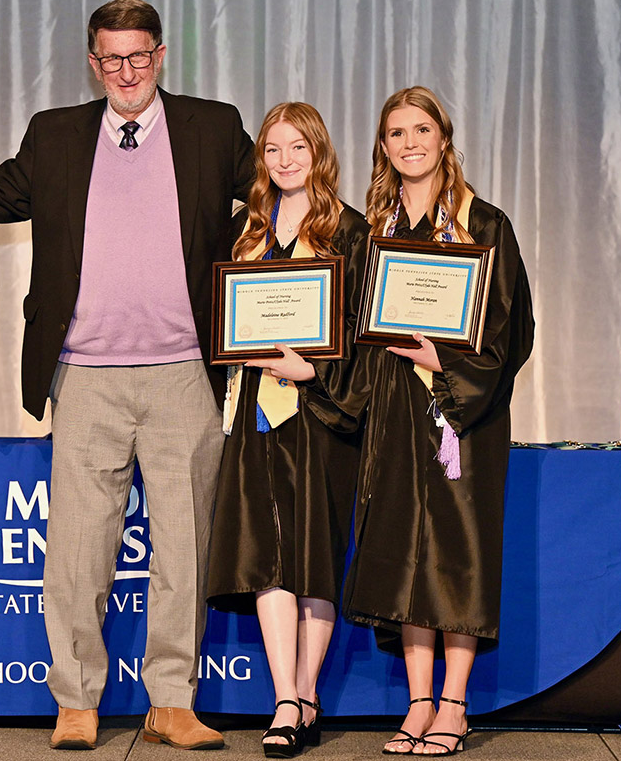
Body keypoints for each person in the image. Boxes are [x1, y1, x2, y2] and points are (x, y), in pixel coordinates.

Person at [0, 0, 254, 751]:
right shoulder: (55, 133)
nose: (126, 71)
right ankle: (77, 701)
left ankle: (171, 702)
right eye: (111, 59)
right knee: (79, 549)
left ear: (160, 55)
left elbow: (284, 198)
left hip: (186, 372)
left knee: (183, 550)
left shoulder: (213, 127)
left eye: (139, 55)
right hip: (85, 374)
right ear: (94, 63)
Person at [342, 86, 534, 756]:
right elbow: (352, 331)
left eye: (421, 129)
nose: (410, 142)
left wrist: (445, 360)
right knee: (402, 555)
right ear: (384, 149)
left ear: (444, 139)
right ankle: (417, 703)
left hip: (463, 419)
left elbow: (512, 332)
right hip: (396, 413)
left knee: (457, 557)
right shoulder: (375, 233)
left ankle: (455, 703)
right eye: (396, 133)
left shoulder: (485, 225)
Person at [205, 102, 368, 759]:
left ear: (319, 152)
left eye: (297, 147)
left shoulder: (349, 231)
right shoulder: (246, 233)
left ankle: (307, 692)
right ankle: (284, 698)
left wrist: (314, 369)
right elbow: (223, 313)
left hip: (322, 415)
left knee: (314, 555)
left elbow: (363, 329)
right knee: (269, 554)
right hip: (257, 414)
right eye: (273, 149)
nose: (284, 160)